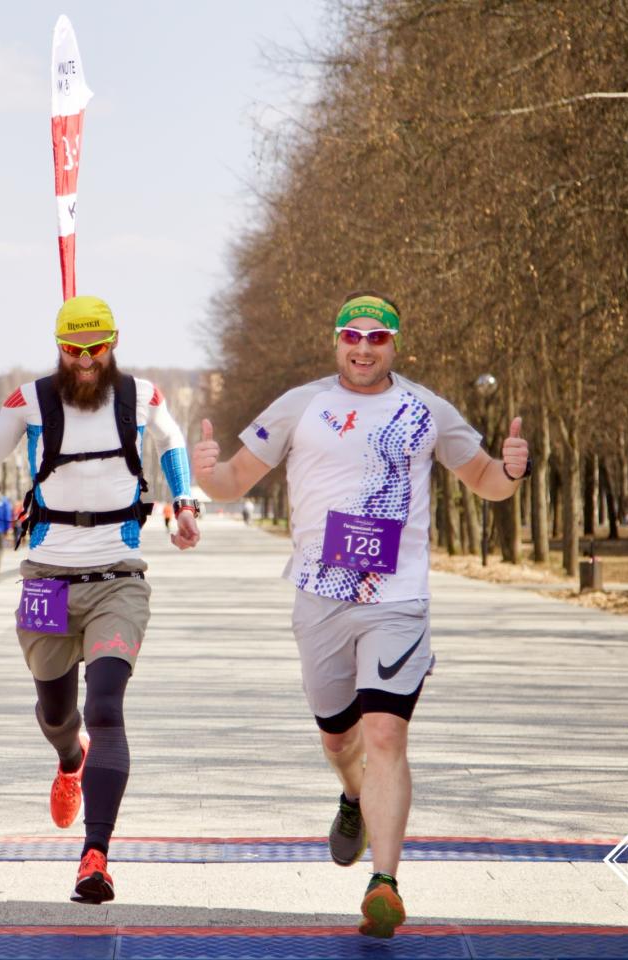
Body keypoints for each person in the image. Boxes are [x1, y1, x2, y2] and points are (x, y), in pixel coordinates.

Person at [191, 291, 531, 939]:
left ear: (395, 345)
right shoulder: (301, 405)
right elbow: (235, 480)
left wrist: (513, 472)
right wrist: (208, 476)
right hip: (319, 596)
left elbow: (485, 477)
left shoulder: (426, 409)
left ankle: (385, 884)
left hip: (397, 599)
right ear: (337, 341)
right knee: (339, 739)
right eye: (354, 335)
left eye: (379, 338)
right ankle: (352, 796)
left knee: (385, 736)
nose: (364, 348)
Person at [0, 295, 201, 904]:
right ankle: (71, 761)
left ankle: (96, 856)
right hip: (47, 581)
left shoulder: (142, 395)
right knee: (59, 716)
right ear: (58, 346)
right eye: (74, 349)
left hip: (118, 576)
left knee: (107, 706)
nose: (87, 361)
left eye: (97, 348)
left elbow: (171, 445)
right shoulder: (30, 399)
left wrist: (186, 505)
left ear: (114, 341)